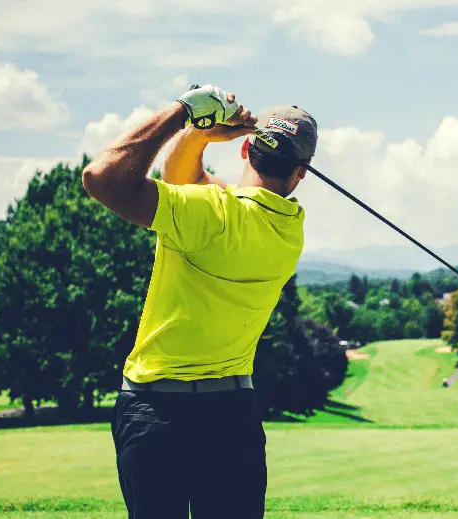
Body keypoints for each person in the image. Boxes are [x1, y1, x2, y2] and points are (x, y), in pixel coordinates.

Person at [82, 84, 318, 519]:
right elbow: (187, 182)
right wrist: (197, 137)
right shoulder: (289, 232)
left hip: (155, 413)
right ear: (300, 173)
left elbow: (102, 178)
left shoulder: (207, 212)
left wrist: (187, 113)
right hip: (233, 418)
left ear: (246, 148)